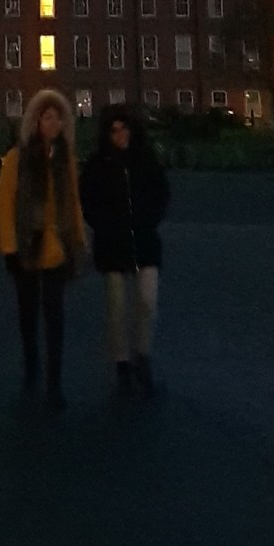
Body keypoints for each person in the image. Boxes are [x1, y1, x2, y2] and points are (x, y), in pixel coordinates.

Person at [0, 89, 87, 410]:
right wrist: (9, 247)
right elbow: (5, 205)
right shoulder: (17, 159)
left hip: (57, 249)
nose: (54, 123)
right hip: (27, 247)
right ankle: (32, 362)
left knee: (55, 317)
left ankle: (54, 382)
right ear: (36, 122)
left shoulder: (66, 160)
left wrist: (79, 243)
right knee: (29, 315)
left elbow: (73, 204)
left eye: (58, 117)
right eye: (48, 117)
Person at [79, 105, 170, 396]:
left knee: (147, 302)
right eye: (114, 130)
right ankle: (121, 363)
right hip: (112, 243)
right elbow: (87, 201)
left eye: (124, 128)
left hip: (144, 241)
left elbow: (162, 194)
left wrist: (149, 220)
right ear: (107, 134)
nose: (120, 135)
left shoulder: (146, 159)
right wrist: (105, 226)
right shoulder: (97, 164)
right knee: (116, 308)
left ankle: (141, 355)